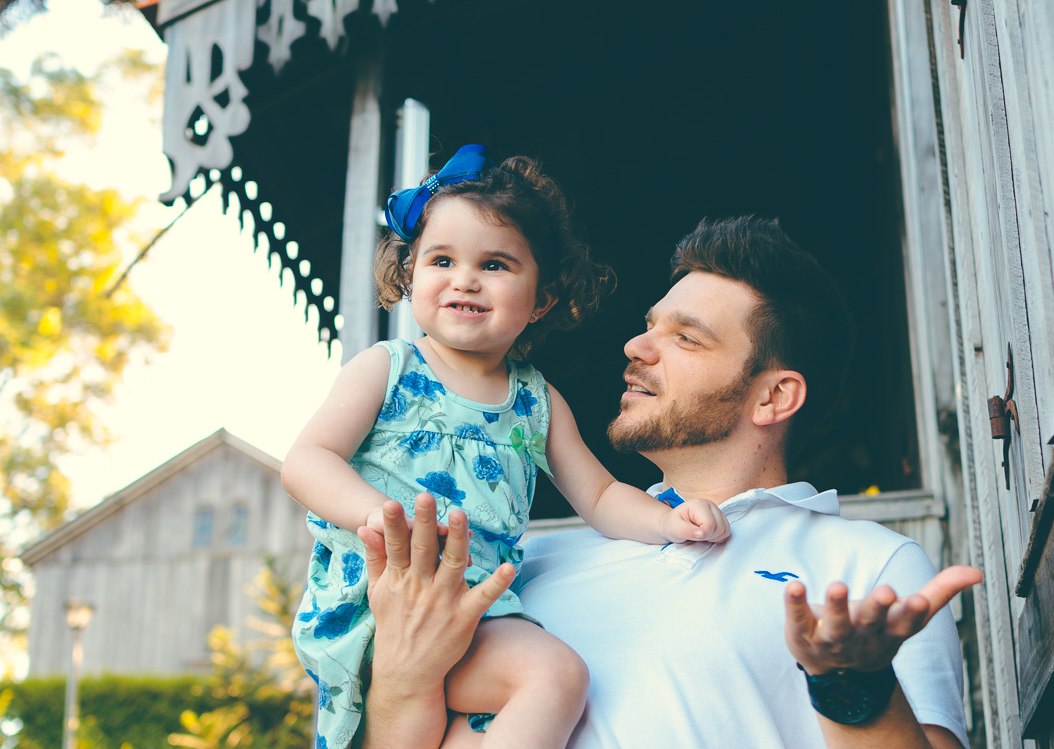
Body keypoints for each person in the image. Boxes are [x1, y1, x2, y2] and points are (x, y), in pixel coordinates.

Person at [355, 215, 983, 748]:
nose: (637, 345)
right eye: (650, 325)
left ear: (774, 396)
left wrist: (853, 688)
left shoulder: (866, 567)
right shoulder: (523, 566)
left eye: (686, 337)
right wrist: (401, 682)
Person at [280, 145, 731, 749]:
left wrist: (668, 520)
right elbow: (307, 461)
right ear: (410, 274)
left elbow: (599, 495)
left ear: (542, 298)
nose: (465, 278)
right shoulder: (387, 368)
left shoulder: (535, 402)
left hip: (471, 604)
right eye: (442, 259)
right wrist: (382, 518)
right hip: (379, 597)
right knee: (552, 676)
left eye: (494, 264)